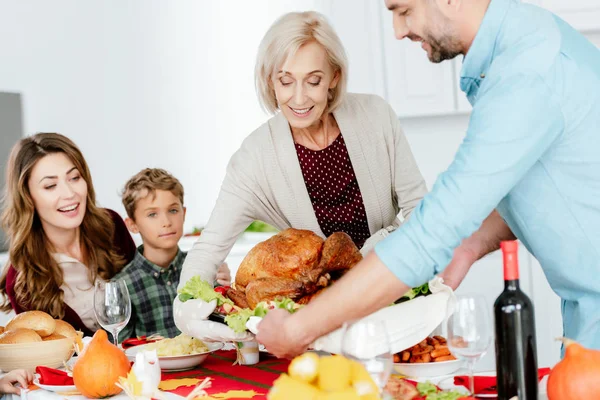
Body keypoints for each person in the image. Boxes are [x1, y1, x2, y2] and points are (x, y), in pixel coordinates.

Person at [256, 0, 600, 358]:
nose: (398, 31)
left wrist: (300, 327)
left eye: (403, 11)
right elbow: (550, 185)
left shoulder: (524, 74)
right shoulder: (528, 41)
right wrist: (468, 246)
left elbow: (429, 233)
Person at [177, 11, 429, 341]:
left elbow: (421, 211)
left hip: (396, 302)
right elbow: (208, 249)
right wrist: (187, 307)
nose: (298, 98)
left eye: (313, 81)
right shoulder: (254, 158)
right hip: (319, 326)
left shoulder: (376, 117)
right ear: (270, 80)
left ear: (334, 77)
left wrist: (373, 258)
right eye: (285, 81)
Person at [0, 133, 136, 336]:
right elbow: (48, 359)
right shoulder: (22, 279)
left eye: (74, 178)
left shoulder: (111, 226)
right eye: (50, 186)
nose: (70, 193)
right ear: (28, 197)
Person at [115, 168, 230, 341]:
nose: (166, 222)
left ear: (184, 214)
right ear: (132, 225)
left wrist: (226, 290)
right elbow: (120, 349)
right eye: (152, 214)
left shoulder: (204, 268)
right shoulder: (123, 285)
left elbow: (224, 325)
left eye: (173, 211)